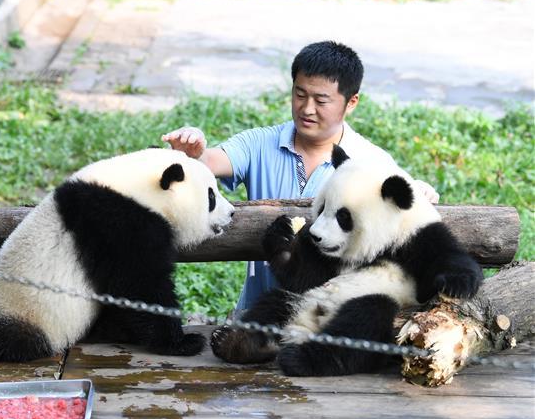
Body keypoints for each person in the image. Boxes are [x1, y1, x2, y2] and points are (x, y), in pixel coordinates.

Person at [162, 40, 439, 310]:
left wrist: (421, 193)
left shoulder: (372, 163)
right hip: (257, 314)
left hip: (328, 317)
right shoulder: (260, 143)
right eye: (300, 94)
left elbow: (405, 210)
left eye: (321, 100)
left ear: (351, 102)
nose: (307, 109)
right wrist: (194, 151)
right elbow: (210, 161)